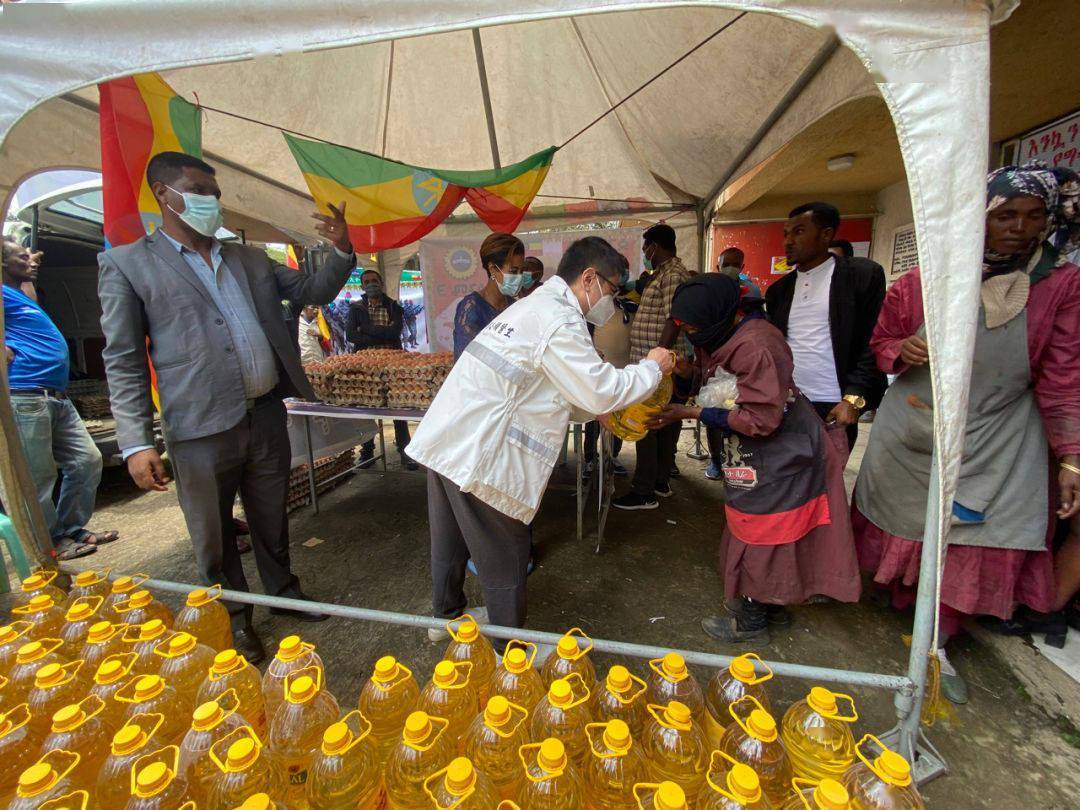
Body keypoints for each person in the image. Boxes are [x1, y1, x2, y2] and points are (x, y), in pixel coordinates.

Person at [98, 151, 356, 662]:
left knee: (270, 516)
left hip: (263, 414)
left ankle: (282, 592)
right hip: (198, 427)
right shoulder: (128, 264)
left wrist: (343, 249)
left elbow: (313, 289)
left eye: (215, 194)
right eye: (199, 191)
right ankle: (233, 617)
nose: (212, 202)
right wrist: (134, 442)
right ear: (164, 196)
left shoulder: (249, 259)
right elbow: (123, 359)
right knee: (213, 534)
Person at [852, 163, 1080, 703]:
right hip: (916, 420)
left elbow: (1065, 374)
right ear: (980, 219)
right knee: (908, 518)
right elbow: (881, 340)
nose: (1018, 227)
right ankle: (909, 603)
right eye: (1005, 215)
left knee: (970, 531)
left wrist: (1070, 456)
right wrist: (899, 351)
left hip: (998, 429)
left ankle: (938, 638)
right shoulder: (927, 277)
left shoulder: (1061, 285)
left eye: (1033, 216)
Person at [407, 236, 675, 637]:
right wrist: (653, 367)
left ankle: (445, 617)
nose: (613, 301)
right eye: (613, 290)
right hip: (481, 449)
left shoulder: (537, 307)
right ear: (589, 279)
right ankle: (508, 649)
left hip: (451, 435)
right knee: (507, 550)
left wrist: (595, 407)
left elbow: (553, 383)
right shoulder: (559, 319)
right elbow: (600, 387)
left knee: (450, 539)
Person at [647, 274, 860, 643]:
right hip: (758, 451)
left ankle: (753, 620)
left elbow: (760, 419)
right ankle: (769, 604)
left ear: (721, 315)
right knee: (767, 530)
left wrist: (691, 413)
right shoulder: (726, 334)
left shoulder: (759, 346)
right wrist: (687, 371)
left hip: (780, 450)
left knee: (762, 532)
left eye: (694, 327)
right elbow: (721, 384)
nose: (691, 334)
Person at [2, 241, 118, 560]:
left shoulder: (21, 294)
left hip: (56, 396)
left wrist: (26, 266)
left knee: (87, 461)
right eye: (21, 256)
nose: (30, 259)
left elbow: (29, 284)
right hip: (23, 394)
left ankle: (70, 527)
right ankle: (49, 543)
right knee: (38, 477)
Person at [765, 202, 887, 450]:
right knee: (785, 480)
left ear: (826, 234)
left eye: (799, 232)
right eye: (786, 234)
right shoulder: (779, 291)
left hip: (835, 404)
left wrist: (853, 399)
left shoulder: (860, 277)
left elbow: (874, 341)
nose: (788, 241)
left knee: (825, 483)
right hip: (788, 401)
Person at [613, 223, 693, 510]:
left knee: (646, 424)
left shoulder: (672, 275)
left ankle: (643, 491)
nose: (645, 254)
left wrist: (657, 356)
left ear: (653, 247)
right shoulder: (659, 275)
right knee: (660, 425)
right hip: (654, 364)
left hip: (659, 366)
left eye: (646, 248)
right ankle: (659, 482)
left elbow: (675, 317)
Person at [346, 268, 416, 470]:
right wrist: (381, 335)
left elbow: (395, 332)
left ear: (381, 283)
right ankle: (367, 452)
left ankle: (405, 451)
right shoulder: (356, 308)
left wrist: (366, 330)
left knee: (397, 406)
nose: (371, 284)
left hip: (392, 363)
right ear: (361, 286)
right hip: (365, 366)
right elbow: (351, 335)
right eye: (366, 281)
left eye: (374, 280)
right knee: (367, 409)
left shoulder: (393, 306)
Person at [453, 233, 524, 360]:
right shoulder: (471, 308)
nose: (519, 277)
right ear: (492, 269)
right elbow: (468, 359)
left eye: (521, 271)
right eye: (513, 271)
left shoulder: (514, 303)